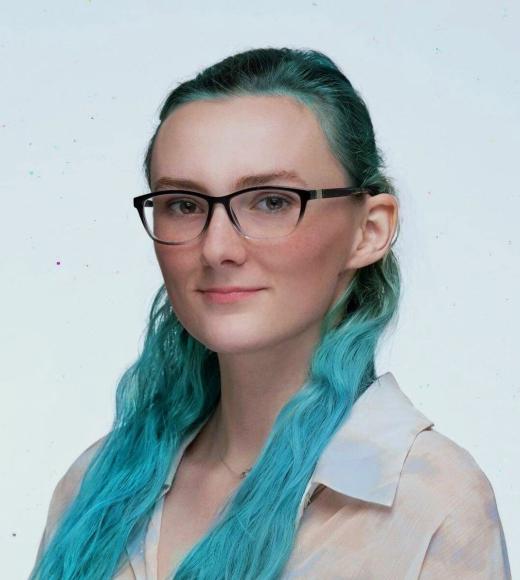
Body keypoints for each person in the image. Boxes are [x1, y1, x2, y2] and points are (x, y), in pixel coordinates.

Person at [30, 47, 511, 580]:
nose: (217, 248)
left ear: (369, 230)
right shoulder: (91, 487)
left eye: (271, 201)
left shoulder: (430, 503)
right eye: (184, 204)